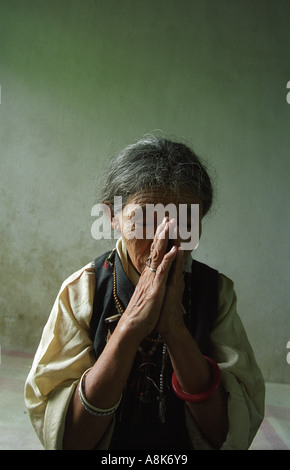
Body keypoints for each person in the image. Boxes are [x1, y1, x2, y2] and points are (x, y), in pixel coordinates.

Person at [24, 136, 265, 450]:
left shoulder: (215, 293)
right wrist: (131, 325)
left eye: (185, 222)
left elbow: (229, 434)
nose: (162, 240)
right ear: (112, 217)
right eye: (143, 220)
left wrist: (175, 330)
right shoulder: (83, 291)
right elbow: (69, 440)